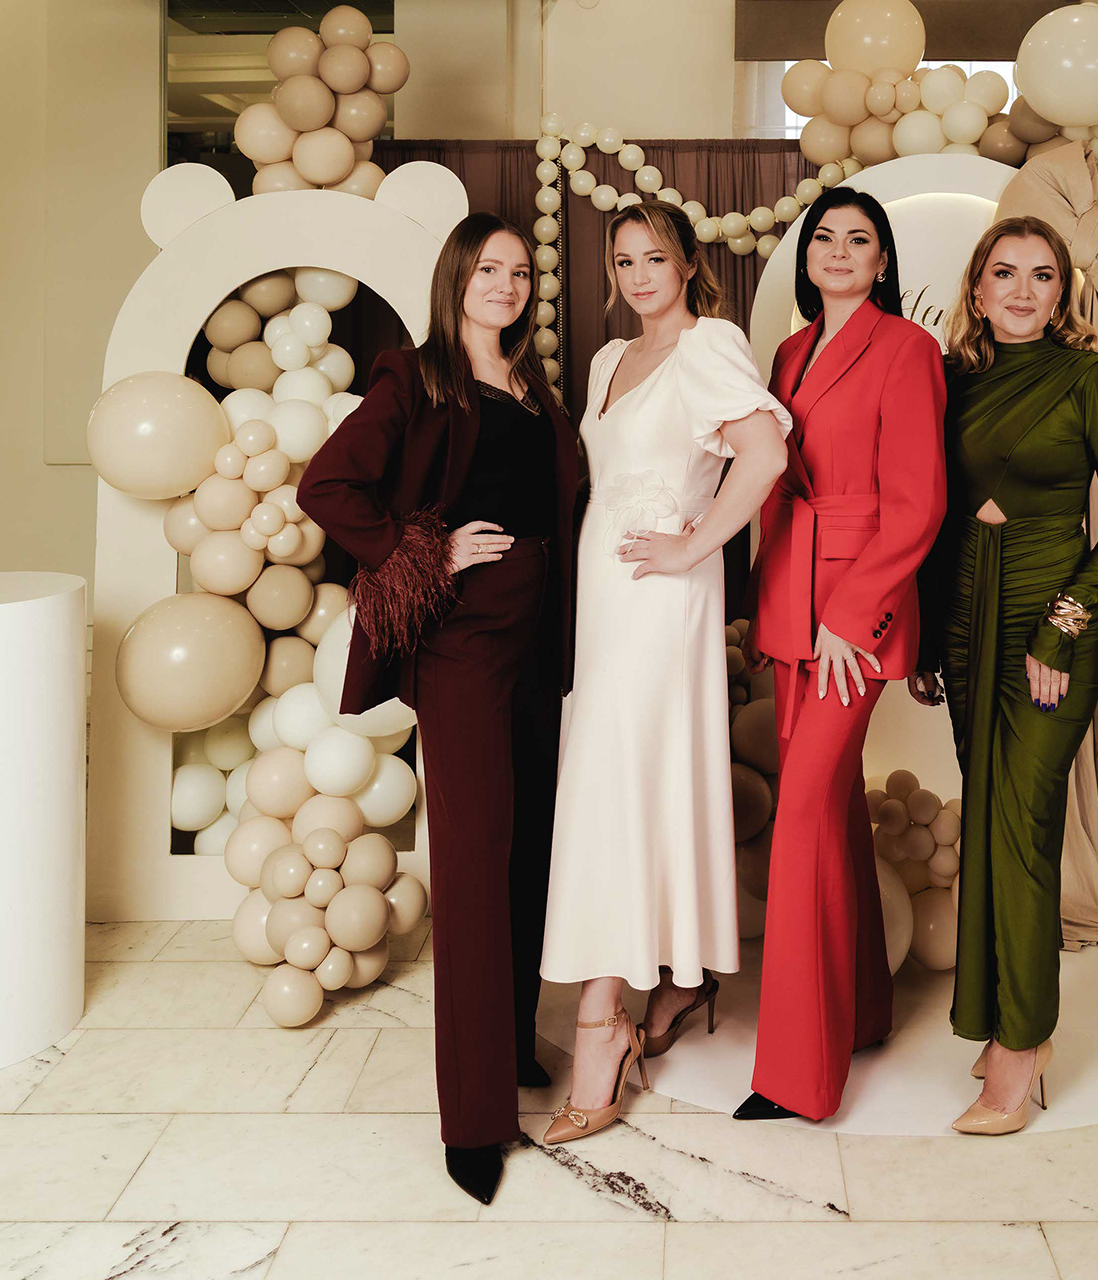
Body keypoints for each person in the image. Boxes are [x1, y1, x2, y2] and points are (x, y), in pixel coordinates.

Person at [297, 212, 587, 1205]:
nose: (506, 285)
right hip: (463, 644)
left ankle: (510, 1045)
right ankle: (473, 1120)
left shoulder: (532, 382)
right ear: (455, 277)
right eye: (488, 269)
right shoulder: (413, 377)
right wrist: (426, 550)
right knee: (470, 861)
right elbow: (327, 484)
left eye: (520, 273)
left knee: (526, 846)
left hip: (539, 639)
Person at [538, 203, 790, 1145]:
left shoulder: (708, 344)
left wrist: (694, 546)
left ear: (687, 263)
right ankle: (680, 980)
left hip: (659, 601)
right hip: (602, 602)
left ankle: (602, 1021)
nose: (640, 274)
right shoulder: (609, 358)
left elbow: (766, 454)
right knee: (620, 784)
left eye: (655, 257)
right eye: (624, 260)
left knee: (617, 789)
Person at [912, 215, 1098, 1135]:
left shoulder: (1091, 378)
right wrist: (926, 639)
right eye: (1004, 273)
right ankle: (998, 1017)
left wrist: (1063, 624)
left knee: (1021, 828)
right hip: (965, 621)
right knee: (989, 821)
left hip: (1051, 621)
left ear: (1062, 294)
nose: (1021, 290)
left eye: (1041, 275)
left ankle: (1023, 1044)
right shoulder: (948, 381)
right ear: (977, 290)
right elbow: (931, 513)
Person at [738, 187, 946, 1123]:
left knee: (802, 820)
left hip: (852, 615)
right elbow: (776, 486)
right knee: (824, 809)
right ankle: (862, 1010)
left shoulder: (907, 348)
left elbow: (918, 502)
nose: (837, 251)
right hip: (791, 600)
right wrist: (766, 605)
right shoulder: (788, 353)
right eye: (824, 237)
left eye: (858, 240)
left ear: (882, 261)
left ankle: (798, 1076)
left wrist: (852, 617)